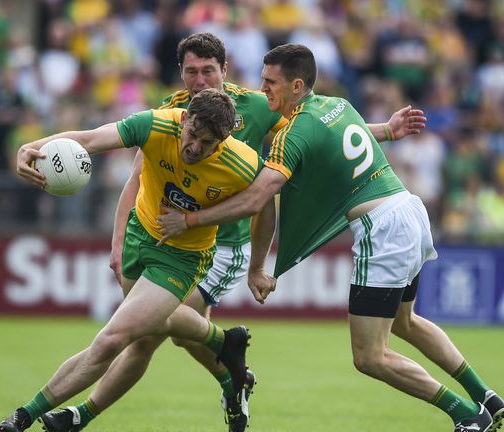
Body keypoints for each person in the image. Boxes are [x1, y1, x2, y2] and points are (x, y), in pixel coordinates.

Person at [42, 32, 427, 432]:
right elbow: (137, 179)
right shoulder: (172, 114)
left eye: (209, 70)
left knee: (149, 328)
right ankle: (232, 377)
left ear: (224, 70)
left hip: (225, 247)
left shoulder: (257, 107)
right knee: (155, 334)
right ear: (181, 74)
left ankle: (85, 413)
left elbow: (321, 133)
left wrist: (385, 129)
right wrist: (118, 239)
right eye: (191, 72)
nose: (200, 80)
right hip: (173, 243)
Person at [157, 44, 504, 432]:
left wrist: (190, 220)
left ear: (297, 85)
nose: (263, 89)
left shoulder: (294, 133)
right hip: (408, 209)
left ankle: (467, 415)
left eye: (270, 82)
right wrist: (388, 131)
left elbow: (259, 198)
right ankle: (485, 394)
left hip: (384, 230)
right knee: (405, 322)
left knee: (370, 357)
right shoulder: (337, 106)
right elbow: (337, 141)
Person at [0, 88, 258, 432]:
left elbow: (260, 203)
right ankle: (224, 343)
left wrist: (199, 225)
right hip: (140, 236)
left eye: (207, 143)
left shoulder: (243, 164)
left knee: (113, 339)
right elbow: (88, 138)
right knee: (148, 333)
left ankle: (23, 416)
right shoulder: (155, 125)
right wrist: (31, 148)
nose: (194, 147)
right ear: (184, 119)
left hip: (183, 258)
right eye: (192, 134)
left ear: (223, 141)